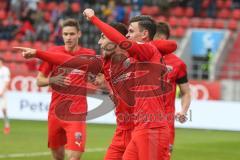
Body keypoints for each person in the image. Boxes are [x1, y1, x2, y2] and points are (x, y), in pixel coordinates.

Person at [14, 10, 177, 160]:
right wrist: (38, 53)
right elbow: (70, 62)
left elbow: (169, 46)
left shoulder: (142, 54)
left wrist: (93, 18)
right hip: (126, 130)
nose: (98, 42)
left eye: (103, 37)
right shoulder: (105, 64)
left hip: (150, 127)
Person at [32, 18, 96, 160]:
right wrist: (52, 80)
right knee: (58, 157)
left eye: (72, 34)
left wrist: (94, 78)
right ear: (62, 35)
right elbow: (39, 80)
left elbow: (96, 76)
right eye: (65, 34)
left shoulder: (89, 54)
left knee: (74, 157)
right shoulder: (53, 53)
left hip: (76, 113)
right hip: (55, 113)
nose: (68, 37)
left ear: (79, 34)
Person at [154, 21, 191, 156]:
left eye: (160, 38)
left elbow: (186, 92)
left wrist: (183, 111)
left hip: (166, 121)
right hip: (142, 119)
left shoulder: (178, 64)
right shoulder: (141, 57)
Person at [0, 58, 11, 135]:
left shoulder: (5, 70)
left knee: (4, 110)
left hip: (2, 93)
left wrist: (2, 92)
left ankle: (7, 125)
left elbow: (7, 82)